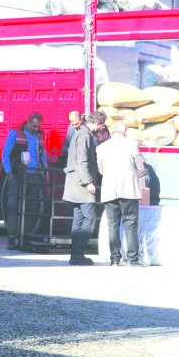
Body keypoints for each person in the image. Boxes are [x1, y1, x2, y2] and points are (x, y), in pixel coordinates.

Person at [96, 119, 147, 266]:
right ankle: (132, 260)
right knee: (130, 224)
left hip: (109, 190)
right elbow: (141, 167)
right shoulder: (132, 144)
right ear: (125, 132)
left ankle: (115, 259)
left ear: (111, 132)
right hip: (129, 190)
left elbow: (101, 170)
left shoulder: (101, 147)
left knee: (112, 225)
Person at [61, 110, 107, 266]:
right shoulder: (85, 135)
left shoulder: (79, 133)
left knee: (79, 219)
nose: (101, 129)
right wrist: (89, 182)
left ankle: (75, 255)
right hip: (81, 185)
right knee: (90, 218)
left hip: (74, 183)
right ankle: (78, 254)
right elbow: (82, 161)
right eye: (102, 126)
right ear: (97, 123)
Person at [1, 112, 48, 250]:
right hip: (17, 175)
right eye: (34, 126)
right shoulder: (15, 133)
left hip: (34, 175)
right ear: (28, 122)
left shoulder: (40, 135)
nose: (36, 129)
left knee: (31, 207)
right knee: (13, 206)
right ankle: (12, 238)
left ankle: (25, 237)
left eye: (38, 126)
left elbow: (43, 154)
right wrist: (9, 173)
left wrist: (44, 171)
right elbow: (5, 153)